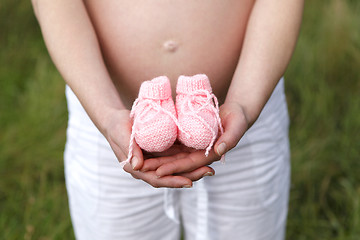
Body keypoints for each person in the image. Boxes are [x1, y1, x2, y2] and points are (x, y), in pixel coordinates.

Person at [32, 0, 303, 239]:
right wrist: (106, 114)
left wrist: (245, 102)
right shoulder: (105, 117)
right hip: (105, 120)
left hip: (249, 111)